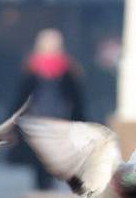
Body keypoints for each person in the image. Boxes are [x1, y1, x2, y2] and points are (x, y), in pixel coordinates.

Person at [9, 28, 87, 188]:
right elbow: (21, 99)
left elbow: (77, 101)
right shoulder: (32, 69)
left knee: (51, 159)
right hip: (43, 122)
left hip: (54, 123)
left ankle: (46, 186)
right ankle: (44, 186)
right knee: (43, 160)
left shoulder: (67, 70)